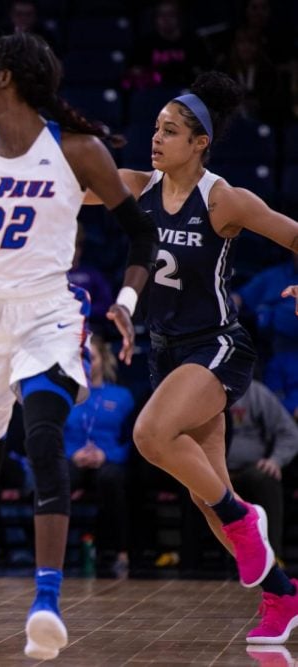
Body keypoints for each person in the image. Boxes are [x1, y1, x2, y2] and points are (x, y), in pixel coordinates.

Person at [0, 33, 158, 660]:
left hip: (47, 310)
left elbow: (142, 238)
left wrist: (124, 305)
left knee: (46, 441)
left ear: (8, 81)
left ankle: (46, 601)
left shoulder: (77, 152)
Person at [82, 71, 298, 644]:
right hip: (166, 352)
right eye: (155, 127)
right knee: (209, 500)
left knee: (151, 435)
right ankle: (283, 593)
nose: (157, 138)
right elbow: (66, 183)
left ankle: (248, 520)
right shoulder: (134, 185)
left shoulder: (224, 199)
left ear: (200, 142)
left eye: (171, 131)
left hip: (219, 347)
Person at [64, 335, 134, 577]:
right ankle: (52, 553)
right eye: (81, 357)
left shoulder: (122, 396)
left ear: (103, 359)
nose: (86, 363)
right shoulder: (67, 395)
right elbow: (55, 436)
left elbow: (131, 441)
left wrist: (107, 455)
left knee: (111, 479)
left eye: (90, 357)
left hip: (108, 460)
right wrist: (73, 454)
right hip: (74, 459)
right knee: (57, 479)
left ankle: (119, 550)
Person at [228, 379, 298, 561]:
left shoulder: (256, 392)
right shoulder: (199, 391)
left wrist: (276, 460)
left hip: (249, 470)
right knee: (190, 483)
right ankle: (190, 559)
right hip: (210, 468)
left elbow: (290, 432)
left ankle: (272, 559)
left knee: (266, 477)